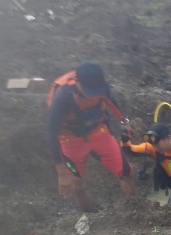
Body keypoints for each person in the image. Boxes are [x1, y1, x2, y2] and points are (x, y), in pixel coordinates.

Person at [47, 61, 135, 212]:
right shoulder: (63, 97)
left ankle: (135, 210)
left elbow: (110, 101)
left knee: (127, 172)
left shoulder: (101, 86)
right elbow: (52, 133)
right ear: (78, 83)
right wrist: (61, 173)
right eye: (90, 90)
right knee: (76, 183)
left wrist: (123, 120)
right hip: (70, 141)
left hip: (99, 134)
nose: (94, 93)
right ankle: (91, 215)